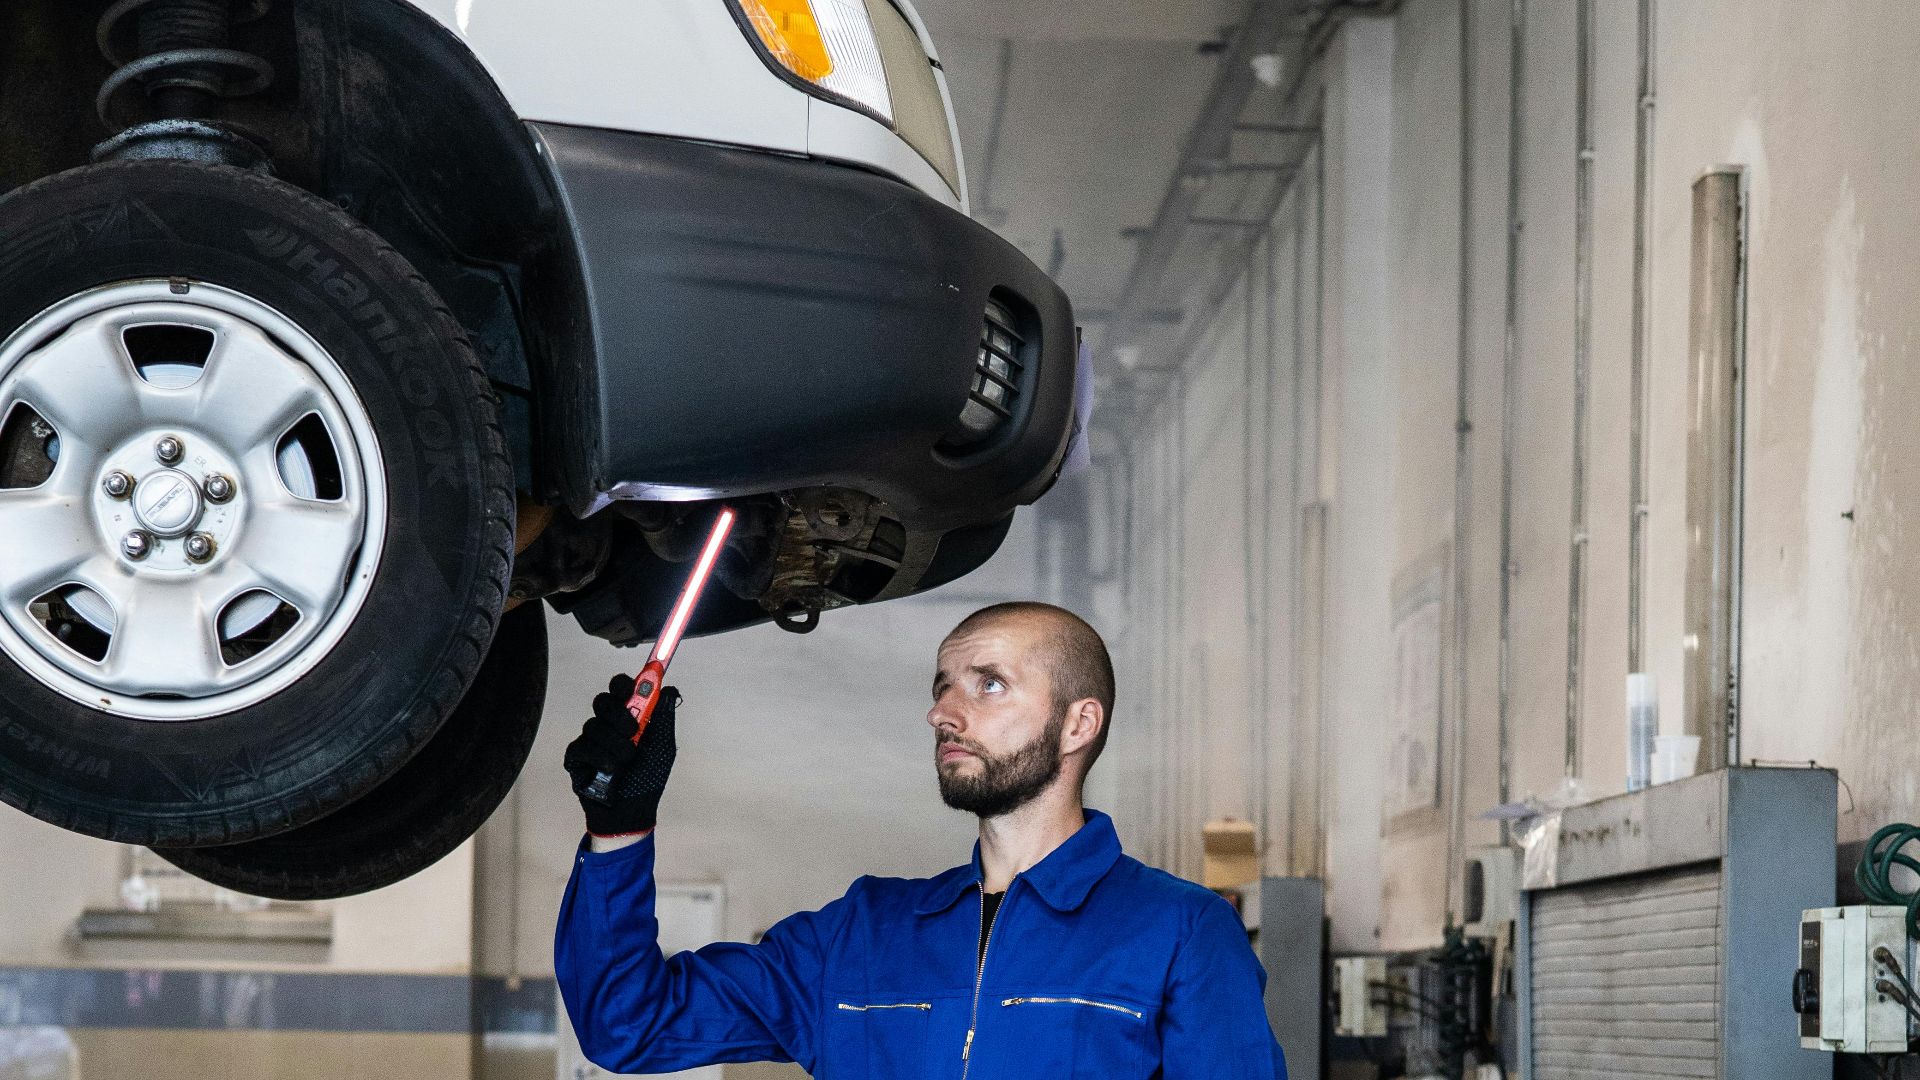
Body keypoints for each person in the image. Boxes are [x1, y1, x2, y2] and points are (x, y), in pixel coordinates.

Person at [555, 601, 1287, 1077]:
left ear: (1078, 724)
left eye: (988, 683)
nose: (944, 712)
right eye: (942, 686)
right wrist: (619, 829)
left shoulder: (1181, 932)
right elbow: (629, 1025)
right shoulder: (862, 935)